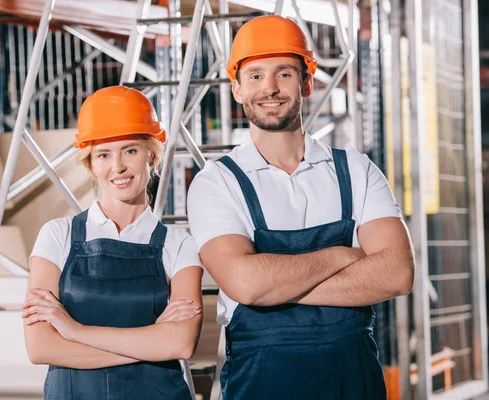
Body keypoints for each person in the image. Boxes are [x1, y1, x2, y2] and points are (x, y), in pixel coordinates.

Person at [187, 15, 415, 399]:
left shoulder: (355, 170)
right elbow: (244, 284)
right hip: (263, 381)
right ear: (237, 89)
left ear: (307, 82)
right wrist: (345, 255)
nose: (270, 88)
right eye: (255, 76)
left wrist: (272, 284)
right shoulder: (217, 182)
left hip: (353, 379)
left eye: (284, 74)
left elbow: (396, 273)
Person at [22, 86, 203, 400]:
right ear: (91, 163)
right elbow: (40, 347)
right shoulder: (56, 236)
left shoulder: (179, 245)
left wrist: (74, 332)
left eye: (130, 150)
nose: (117, 166)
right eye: (104, 154)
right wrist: (151, 344)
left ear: (151, 154)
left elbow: (181, 344)